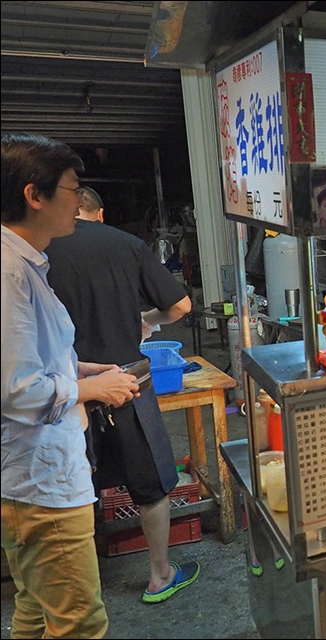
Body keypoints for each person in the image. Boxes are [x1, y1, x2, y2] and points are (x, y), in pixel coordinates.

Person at [2, 132, 141, 638]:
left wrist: (85, 371)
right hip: (40, 482)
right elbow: (17, 389)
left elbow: (35, 360)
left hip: (32, 477)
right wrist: (95, 390)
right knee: (79, 622)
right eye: (69, 189)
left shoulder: (26, 263)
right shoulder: (9, 273)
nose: (77, 201)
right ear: (32, 196)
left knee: (35, 611)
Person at [44, 185, 198, 605]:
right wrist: (146, 321)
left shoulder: (34, 249)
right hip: (126, 383)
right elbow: (182, 306)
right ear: (99, 212)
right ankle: (159, 575)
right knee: (152, 482)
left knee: (74, 486)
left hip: (60, 389)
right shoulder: (126, 245)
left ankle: (81, 584)